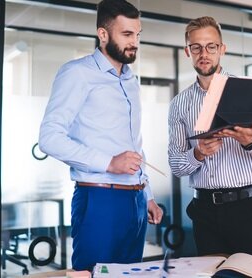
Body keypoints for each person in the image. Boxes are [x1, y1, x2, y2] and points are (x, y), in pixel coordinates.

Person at [39, 0, 163, 271]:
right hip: (99, 200)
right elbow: (49, 137)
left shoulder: (131, 81)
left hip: (137, 201)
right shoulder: (77, 73)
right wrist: (109, 162)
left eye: (138, 34)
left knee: (130, 276)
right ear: (103, 34)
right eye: (127, 34)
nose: (135, 42)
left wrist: (148, 194)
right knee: (93, 275)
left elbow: (134, 145)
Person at [168, 16, 252, 263]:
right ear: (188, 51)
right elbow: (176, 165)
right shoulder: (179, 104)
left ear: (222, 49)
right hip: (205, 212)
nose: (203, 53)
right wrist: (197, 153)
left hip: (250, 207)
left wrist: (249, 141)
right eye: (196, 47)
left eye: (211, 46)